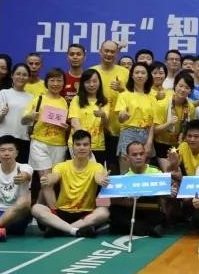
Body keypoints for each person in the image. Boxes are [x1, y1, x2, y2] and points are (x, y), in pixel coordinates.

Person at [31, 130, 109, 237]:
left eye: (85, 144)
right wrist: (48, 179)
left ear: (90, 147)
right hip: (61, 213)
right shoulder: (62, 166)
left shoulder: (97, 166)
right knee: (36, 208)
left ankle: (60, 228)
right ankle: (75, 230)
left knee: (104, 213)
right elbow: (54, 176)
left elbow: (98, 177)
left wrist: (102, 180)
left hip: (85, 213)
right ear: (73, 147)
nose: (81, 148)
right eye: (78, 144)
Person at [22, 68, 69, 202]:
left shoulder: (65, 102)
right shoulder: (39, 99)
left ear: (63, 83)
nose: (55, 84)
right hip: (40, 143)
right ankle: (53, 211)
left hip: (59, 145)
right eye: (52, 80)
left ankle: (38, 209)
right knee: (45, 179)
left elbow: (67, 124)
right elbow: (23, 121)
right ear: (46, 82)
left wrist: (66, 127)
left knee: (50, 182)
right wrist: (31, 116)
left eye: (59, 80)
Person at [92, 40, 130, 172]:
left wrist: (122, 89)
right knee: (96, 167)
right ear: (100, 51)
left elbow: (133, 97)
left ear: (117, 53)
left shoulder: (125, 72)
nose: (109, 54)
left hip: (118, 126)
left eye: (112, 52)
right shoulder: (92, 71)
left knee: (114, 167)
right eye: (106, 51)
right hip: (95, 126)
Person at [115, 62, 157, 173]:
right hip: (128, 133)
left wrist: (149, 142)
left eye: (143, 73)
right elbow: (120, 117)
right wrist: (123, 116)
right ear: (132, 75)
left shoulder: (152, 97)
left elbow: (153, 122)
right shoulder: (124, 95)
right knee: (125, 173)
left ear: (147, 76)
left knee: (145, 172)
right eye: (137, 72)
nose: (140, 75)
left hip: (146, 134)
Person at [0, 63, 33, 163]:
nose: (21, 77)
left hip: (23, 139)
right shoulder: (4, 93)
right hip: (3, 138)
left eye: (24, 75)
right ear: (12, 75)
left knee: (20, 170)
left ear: (28, 78)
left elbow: (29, 125)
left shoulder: (31, 97)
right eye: (18, 74)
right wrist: (3, 114)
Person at [152, 70, 195, 161]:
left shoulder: (191, 107)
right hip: (161, 144)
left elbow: (191, 129)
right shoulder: (162, 104)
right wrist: (168, 123)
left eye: (187, 88)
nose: (183, 90)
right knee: (169, 168)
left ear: (190, 90)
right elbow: (154, 130)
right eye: (180, 86)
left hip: (180, 145)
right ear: (175, 86)